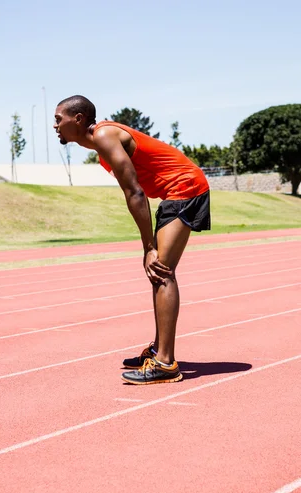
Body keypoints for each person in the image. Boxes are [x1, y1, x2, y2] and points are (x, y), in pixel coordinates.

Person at [54, 95, 211, 385]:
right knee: (158, 273)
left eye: (58, 118)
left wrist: (149, 247)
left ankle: (165, 363)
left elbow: (135, 192)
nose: (55, 125)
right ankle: (157, 349)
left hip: (185, 187)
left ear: (77, 119)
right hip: (174, 191)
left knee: (161, 270)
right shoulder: (101, 145)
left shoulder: (104, 134)